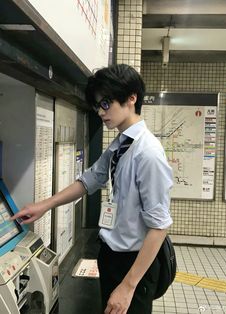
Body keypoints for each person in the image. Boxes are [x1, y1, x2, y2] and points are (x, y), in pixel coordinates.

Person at [11, 64, 173, 314]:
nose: (100, 111)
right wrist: (44, 205)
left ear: (131, 98)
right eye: (98, 105)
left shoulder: (148, 154)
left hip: (132, 263)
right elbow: (88, 181)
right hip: (111, 255)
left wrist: (128, 286)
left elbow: (159, 227)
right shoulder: (121, 144)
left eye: (106, 103)